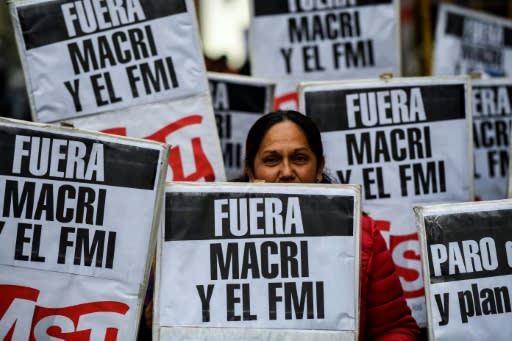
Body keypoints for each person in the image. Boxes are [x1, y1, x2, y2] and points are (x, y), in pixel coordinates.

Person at [239, 110, 420, 341]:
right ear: (250, 170)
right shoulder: (209, 237)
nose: (286, 172)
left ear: (319, 167)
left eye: (299, 158)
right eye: (271, 160)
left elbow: (395, 329)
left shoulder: (361, 235)